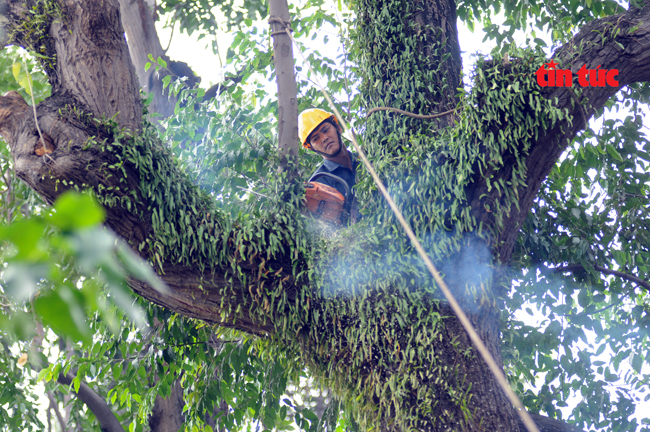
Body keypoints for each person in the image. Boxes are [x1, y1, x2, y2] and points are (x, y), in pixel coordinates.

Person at [298, 108, 359, 207]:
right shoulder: (319, 183)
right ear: (312, 148)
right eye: (316, 138)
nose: (324, 138)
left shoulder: (365, 159)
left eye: (326, 130)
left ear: (338, 128)